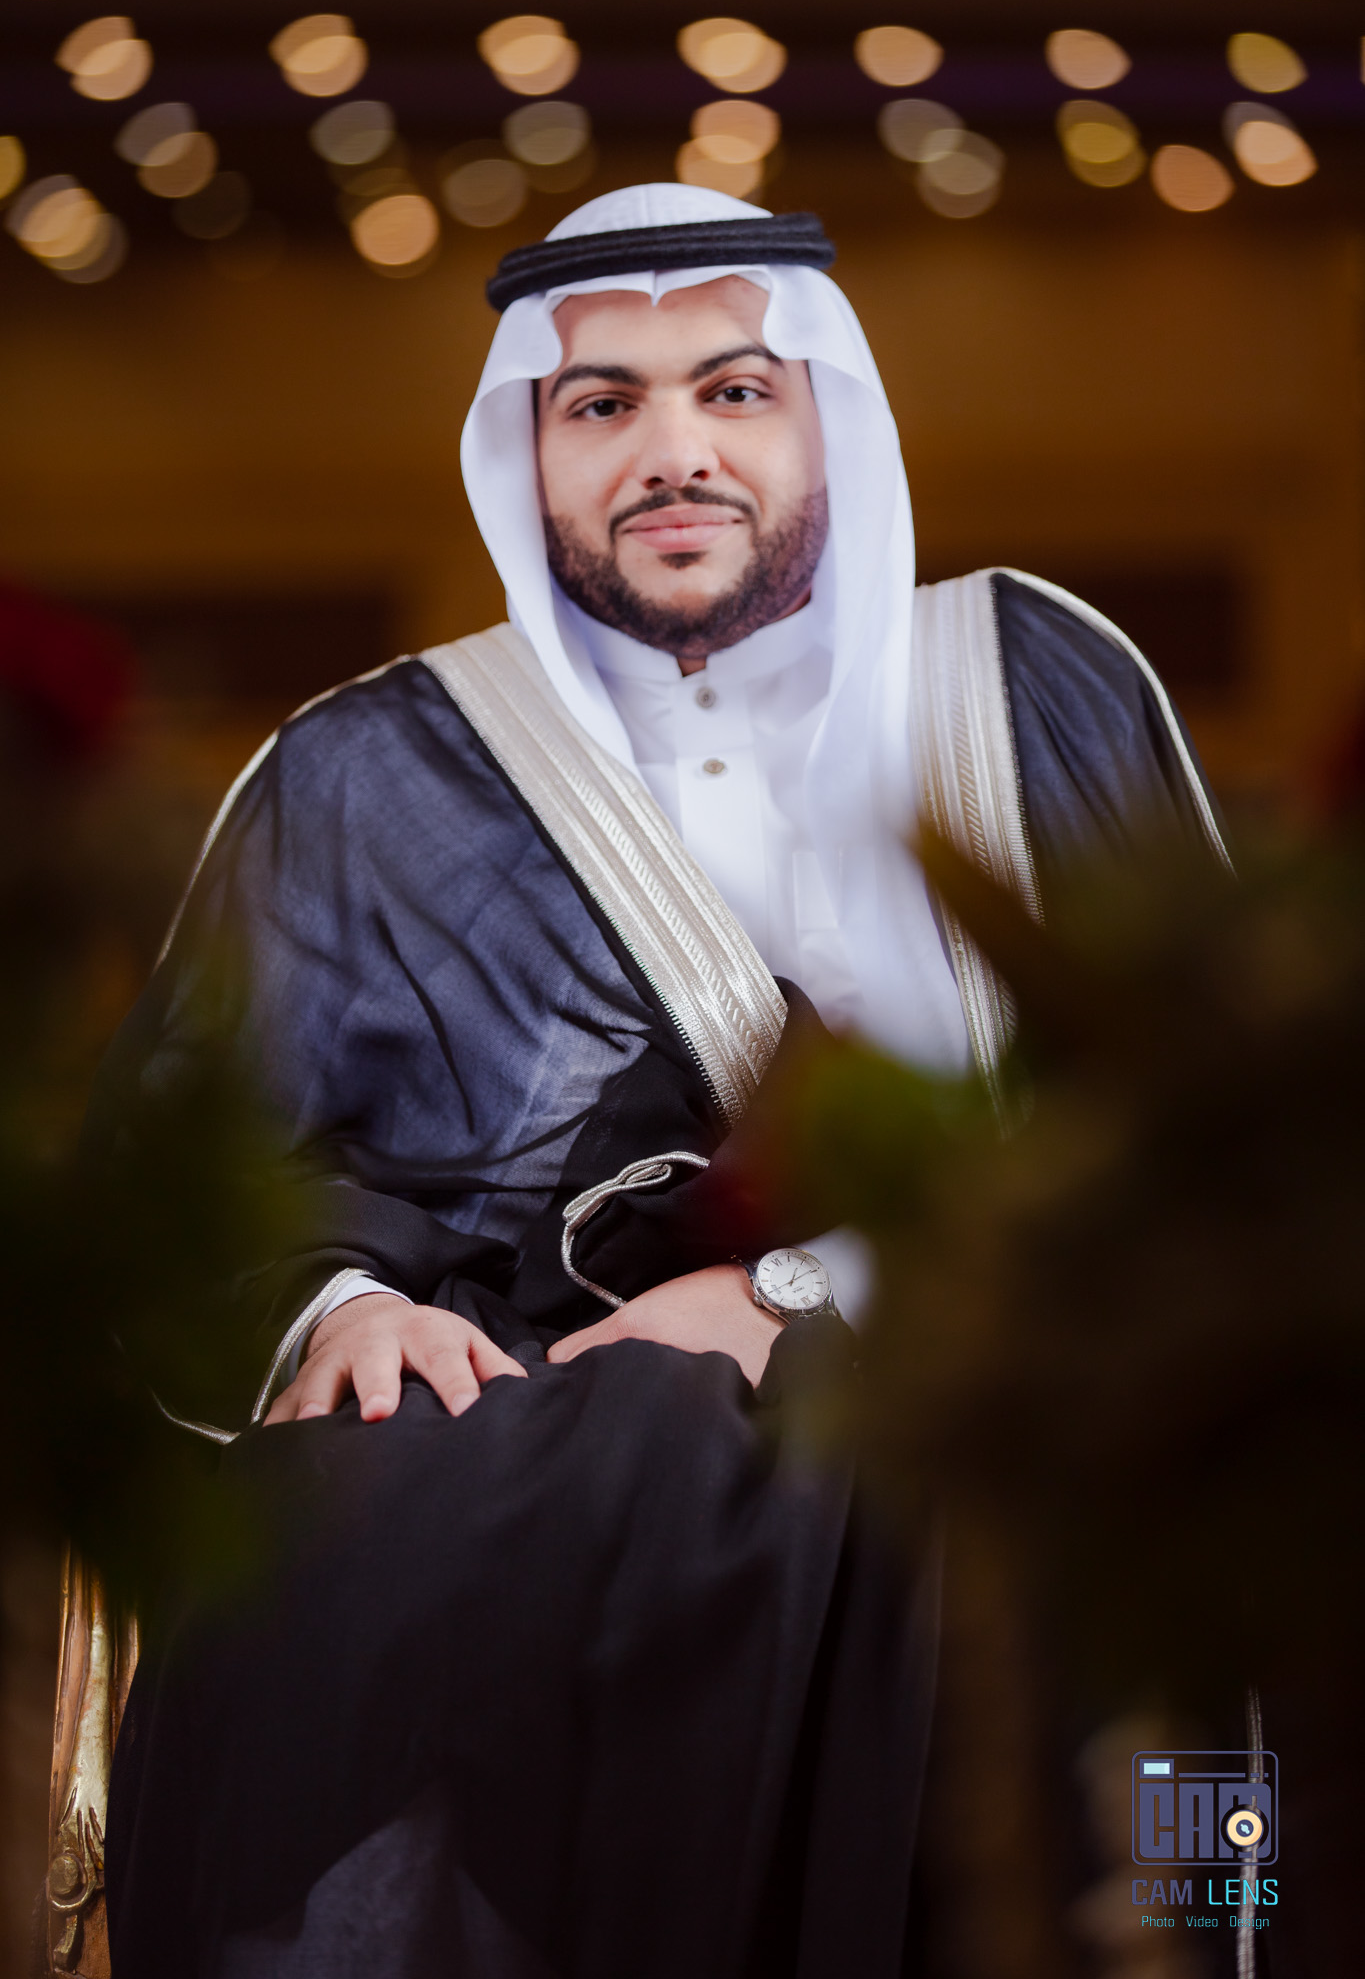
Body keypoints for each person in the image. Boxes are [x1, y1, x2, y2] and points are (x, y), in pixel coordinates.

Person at [97, 184, 1225, 1979]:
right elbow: (183, 1175)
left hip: (1022, 1383)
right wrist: (334, 1306)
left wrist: (785, 1297)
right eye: (602, 402)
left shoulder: (1031, 681)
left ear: (825, 418)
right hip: (530, 1430)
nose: (672, 451)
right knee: (402, 1509)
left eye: (734, 389)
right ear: (528, 450)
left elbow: (1208, 1133)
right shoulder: (367, 771)